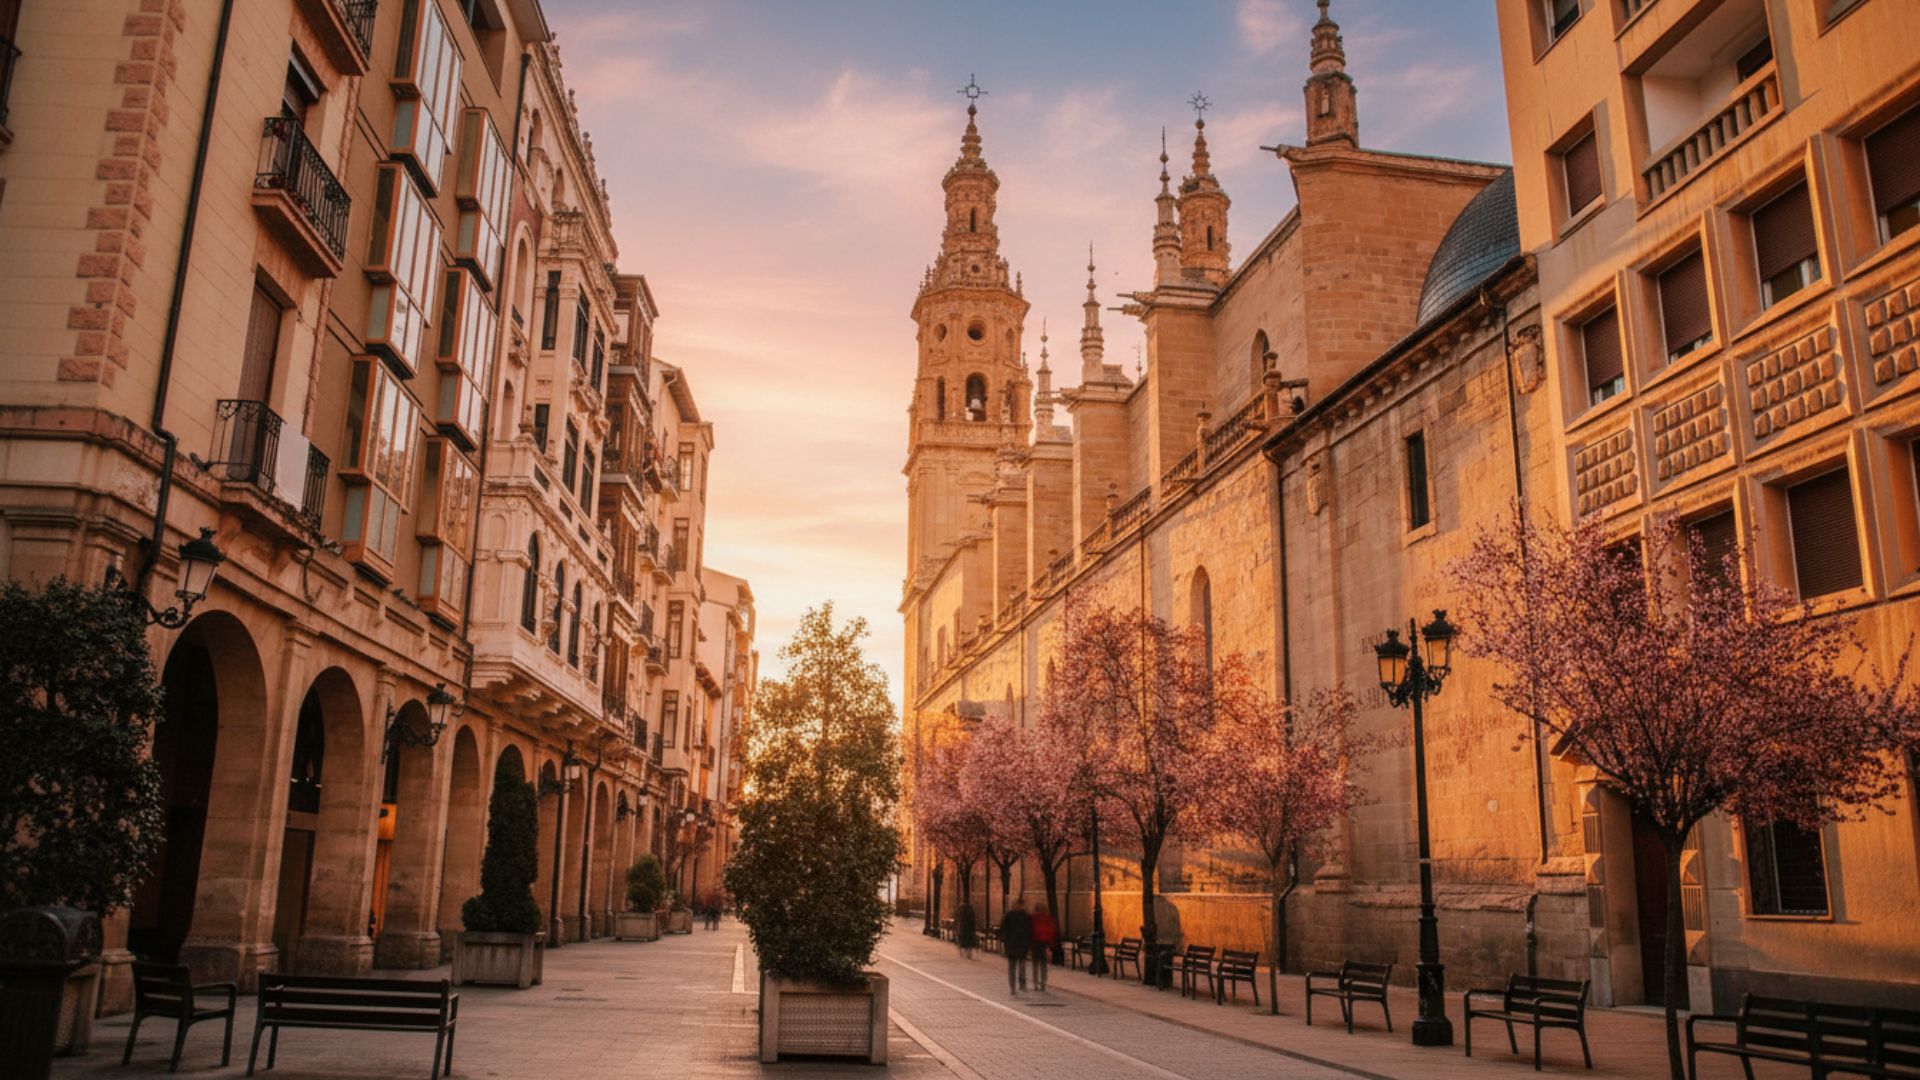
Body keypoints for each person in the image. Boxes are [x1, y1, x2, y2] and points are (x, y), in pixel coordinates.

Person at [1000, 898, 1033, 996]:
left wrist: (1029, 945)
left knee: (1022, 967)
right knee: (1012, 968)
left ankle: (1022, 985)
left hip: (1022, 946)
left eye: (1020, 905)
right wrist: (1004, 942)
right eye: (1016, 904)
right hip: (1012, 945)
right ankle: (1013, 987)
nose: (1018, 906)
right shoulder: (1009, 916)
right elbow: (1003, 930)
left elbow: (1029, 931)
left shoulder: (1026, 917)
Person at [1029, 902, 1057, 992]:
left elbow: (1029, 932)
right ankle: (1042, 982)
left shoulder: (1032, 918)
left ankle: (1036, 982)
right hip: (1044, 944)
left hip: (1035, 943)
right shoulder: (1049, 919)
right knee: (1043, 964)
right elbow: (1052, 932)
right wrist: (1051, 946)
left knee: (1036, 964)